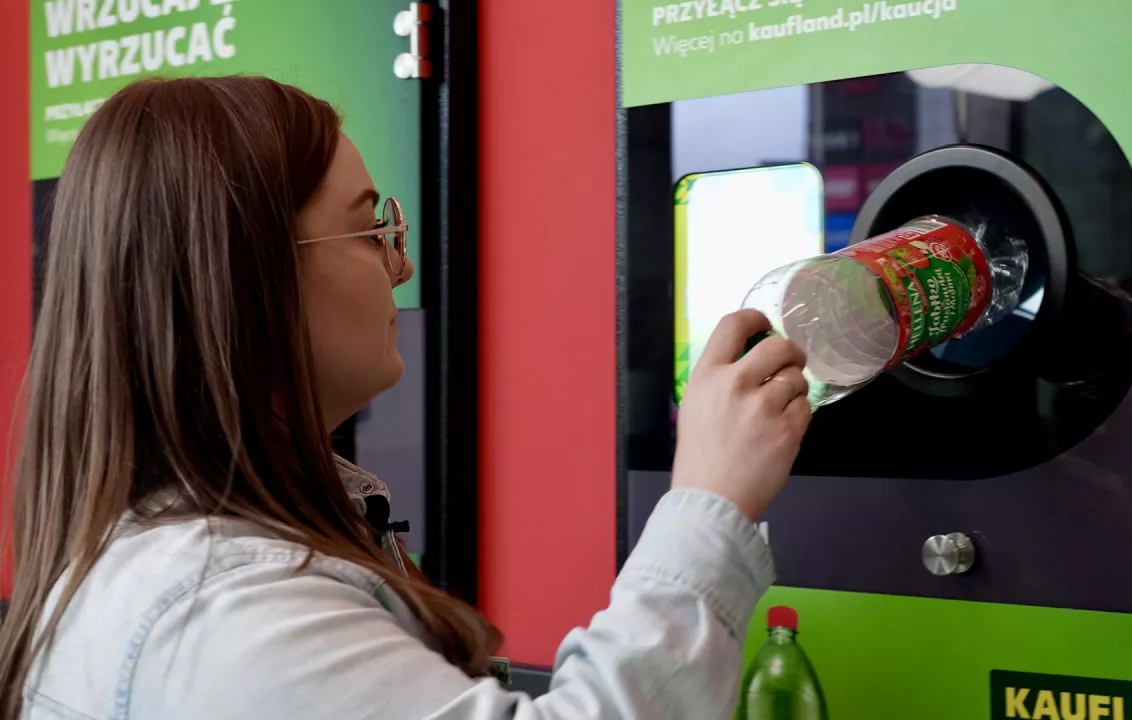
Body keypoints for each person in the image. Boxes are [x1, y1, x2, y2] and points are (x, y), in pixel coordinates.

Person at [0, 76, 812, 719]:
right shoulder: (223, 612)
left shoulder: (177, 558)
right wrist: (708, 500)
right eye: (366, 232)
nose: (400, 268)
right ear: (250, 279)